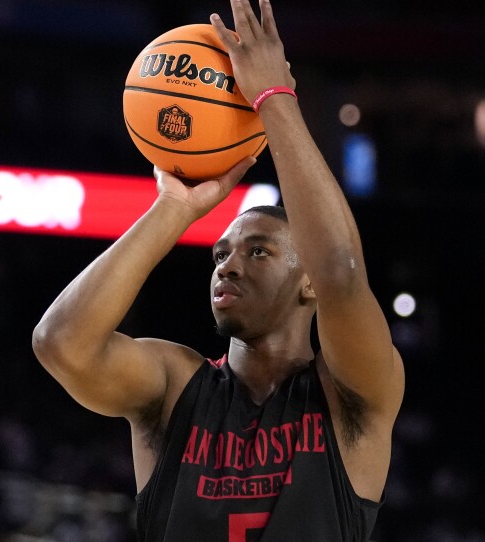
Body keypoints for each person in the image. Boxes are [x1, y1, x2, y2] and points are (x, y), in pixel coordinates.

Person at [31, 0, 405, 540]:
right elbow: (60, 343)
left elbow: (340, 271)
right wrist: (174, 209)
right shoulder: (174, 387)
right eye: (221, 254)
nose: (227, 266)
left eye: (259, 252)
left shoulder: (350, 393)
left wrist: (274, 98)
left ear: (308, 284)